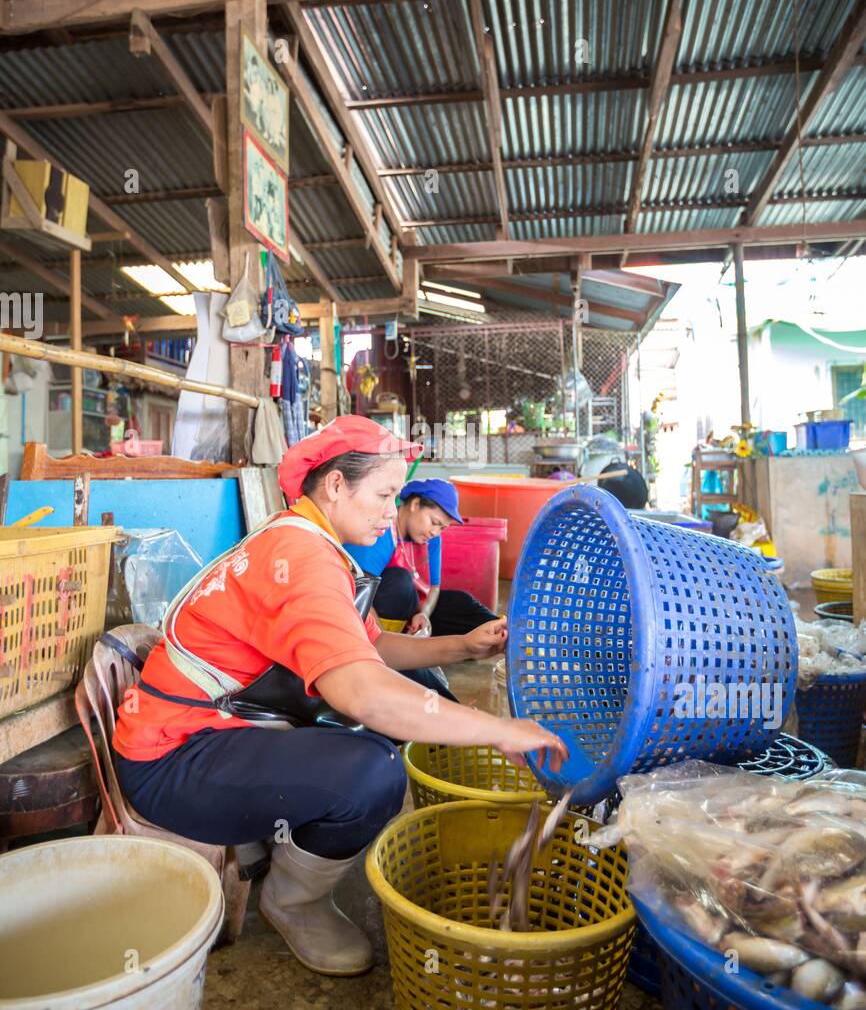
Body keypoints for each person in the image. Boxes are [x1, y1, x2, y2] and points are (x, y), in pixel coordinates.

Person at [112, 416, 566, 978]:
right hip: (171, 760)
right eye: (382, 495)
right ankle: (293, 901)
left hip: (216, 733)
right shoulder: (300, 560)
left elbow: (371, 647)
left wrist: (463, 648)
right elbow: (360, 690)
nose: (388, 511)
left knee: (402, 711)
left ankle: (280, 839)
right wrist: (501, 731)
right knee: (373, 772)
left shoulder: (306, 542)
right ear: (334, 486)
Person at [347, 478, 498, 638]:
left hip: (411, 611)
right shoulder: (381, 531)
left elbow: (434, 588)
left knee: (461, 602)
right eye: (434, 522)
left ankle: (509, 633)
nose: (436, 532)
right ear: (415, 505)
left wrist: (424, 614)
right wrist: (382, 639)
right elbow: (358, 594)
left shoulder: (432, 538)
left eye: (442, 528)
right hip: (368, 612)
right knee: (401, 581)